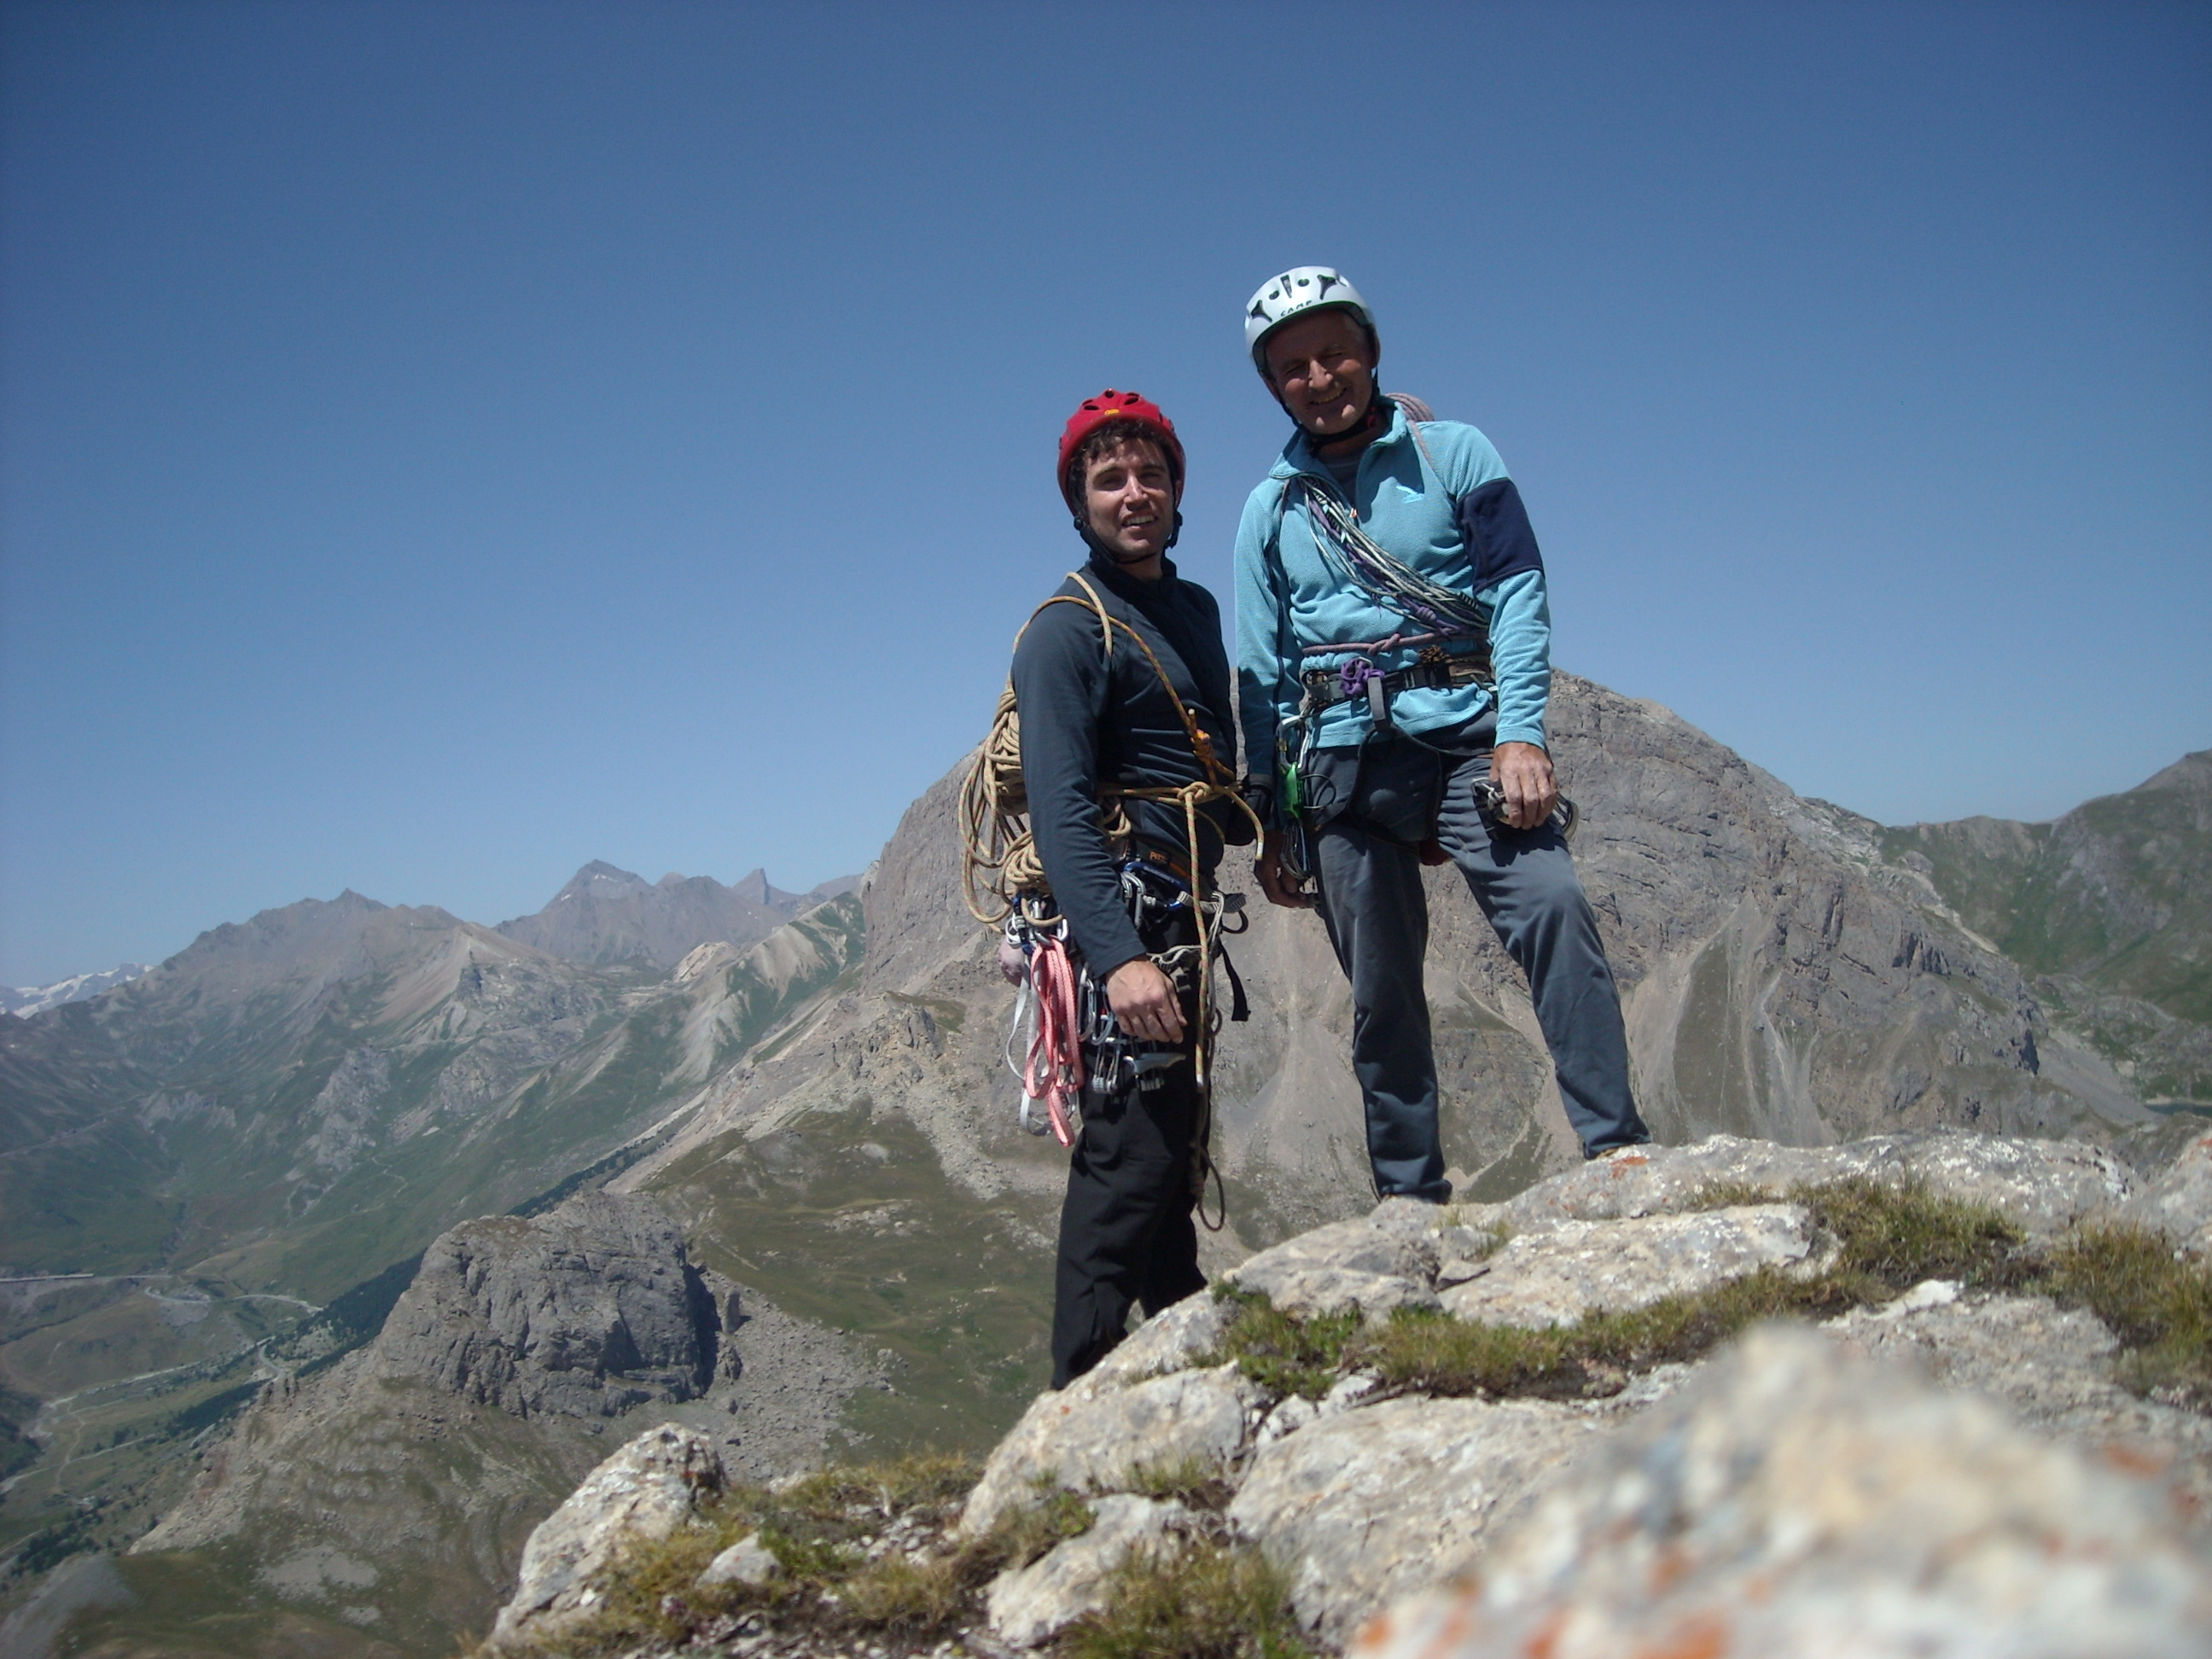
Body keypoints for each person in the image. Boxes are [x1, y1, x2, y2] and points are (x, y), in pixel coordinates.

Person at [1232, 268, 1650, 1201]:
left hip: (1468, 743)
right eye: (1293, 366)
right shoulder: (1269, 511)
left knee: (1552, 908)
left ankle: (1617, 1147)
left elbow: (1518, 593)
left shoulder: (1457, 453)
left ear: (1372, 352)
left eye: (1334, 353)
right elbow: (1261, 673)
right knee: (1381, 992)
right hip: (1341, 766)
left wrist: (1523, 735)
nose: (1318, 377)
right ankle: (1411, 1199)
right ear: (1273, 385)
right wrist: (1271, 822)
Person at [1013, 389, 1254, 1386]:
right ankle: (1075, 1402)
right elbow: (1061, 811)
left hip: (1182, 913)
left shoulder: (1191, 611)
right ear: (1081, 504)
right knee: (1128, 1165)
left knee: (1166, 1155)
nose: (1134, 493)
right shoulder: (1067, 632)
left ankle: (1185, 1363)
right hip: (1130, 921)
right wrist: (1118, 960)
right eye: (1109, 479)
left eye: (1151, 474)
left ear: (1176, 491)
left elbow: (1212, 767)